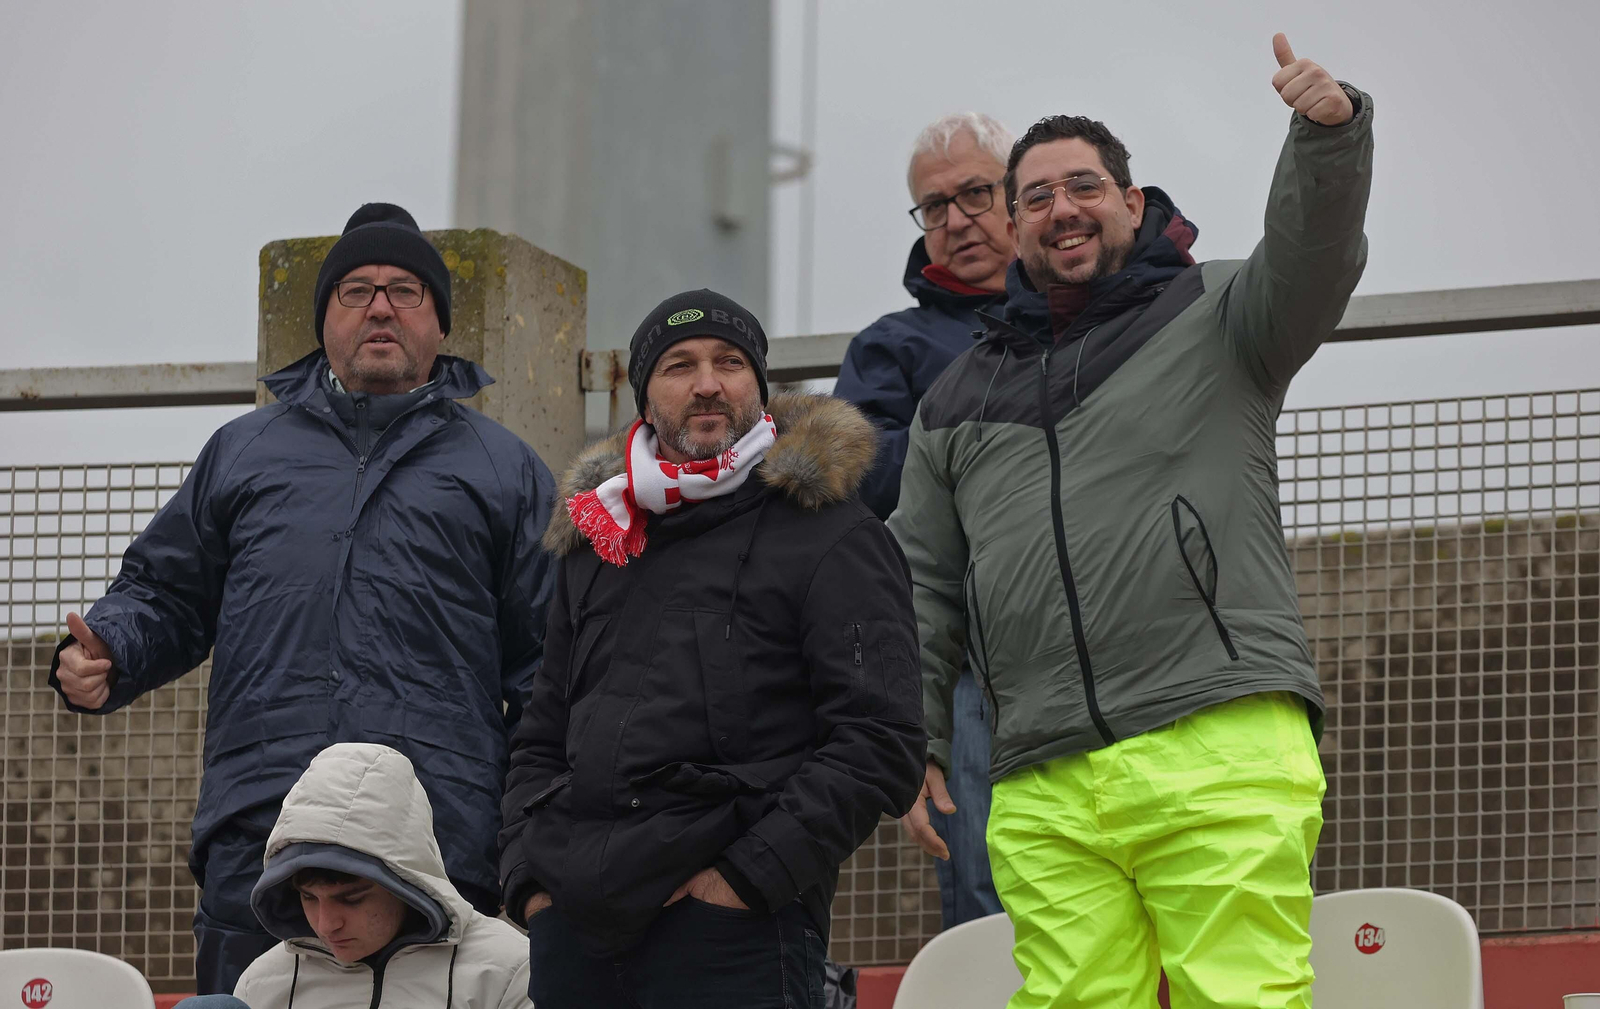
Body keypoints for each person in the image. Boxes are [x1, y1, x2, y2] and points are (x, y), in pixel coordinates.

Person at [891, 34, 1373, 1008]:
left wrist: (1328, 135)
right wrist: (918, 735)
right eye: (1034, 197)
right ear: (1017, 227)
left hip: (1219, 732)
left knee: (1243, 998)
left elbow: (1315, 256)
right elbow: (922, 583)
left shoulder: (1223, 311)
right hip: (1038, 781)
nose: (1060, 209)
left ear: (1132, 203)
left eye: (1083, 186)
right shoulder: (952, 397)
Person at [47, 203, 557, 994]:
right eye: (355, 290)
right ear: (324, 319)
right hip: (263, 831)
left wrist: (531, 842)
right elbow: (166, 592)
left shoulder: (506, 469)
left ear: (441, 327)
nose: (380, 306)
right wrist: (110, 646)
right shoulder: (243, 450)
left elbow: (546, 673)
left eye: (405, 290)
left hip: (439, 842)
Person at [498, 289, 926, 1008]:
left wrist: (743, 881)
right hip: (575, 929)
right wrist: (529, 881)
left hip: (738, 932)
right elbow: (542, 729)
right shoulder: (597, 539)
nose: (707, 382)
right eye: (679, 364)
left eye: (729, 362)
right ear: (644, 394)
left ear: (758, 386)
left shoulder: (831, 533)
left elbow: (880, 738)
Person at [834, 111, 1013, 930]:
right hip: (965, 657)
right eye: (934, 206)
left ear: (1017, 193)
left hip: (1109, 645)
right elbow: (854, 478)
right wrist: (985, 429)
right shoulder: (891, 347)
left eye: (975, 193)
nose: (957, 219)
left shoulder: (1094, 315)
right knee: (986, 892)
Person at [223, 743, 532, 1009]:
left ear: (407, 883)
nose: (326, 924)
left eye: (351, 898)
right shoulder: (261, 984)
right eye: (309, 897)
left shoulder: (509, 970)